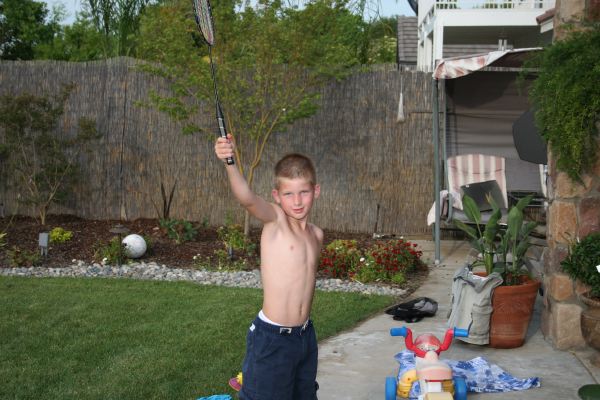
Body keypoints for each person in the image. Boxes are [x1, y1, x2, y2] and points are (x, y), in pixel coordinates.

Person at [214, 133, 323, 400]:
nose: (297, 201)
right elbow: (247, 199)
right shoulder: (276, 221)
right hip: (272, 338)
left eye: (304, 192)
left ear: (316, 191)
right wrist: (229, 162)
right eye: (288, 194)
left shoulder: (316, 235)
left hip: (304, 337)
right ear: (277, 196)